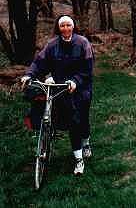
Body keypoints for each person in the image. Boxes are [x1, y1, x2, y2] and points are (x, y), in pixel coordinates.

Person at [21, 14, 94, 176]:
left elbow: (87, 69)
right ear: (58, 27)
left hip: (81, 89)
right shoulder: (52, 45)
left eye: (68, 25)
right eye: (62, 26)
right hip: (61, 88)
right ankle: (78, 159)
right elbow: (39, 62)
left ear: (73, 26)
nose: (66, 28)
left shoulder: (83, 43)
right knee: (71, 121)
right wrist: (30, 74)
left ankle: (86, 143)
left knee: (82, 120)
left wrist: (76, 80)